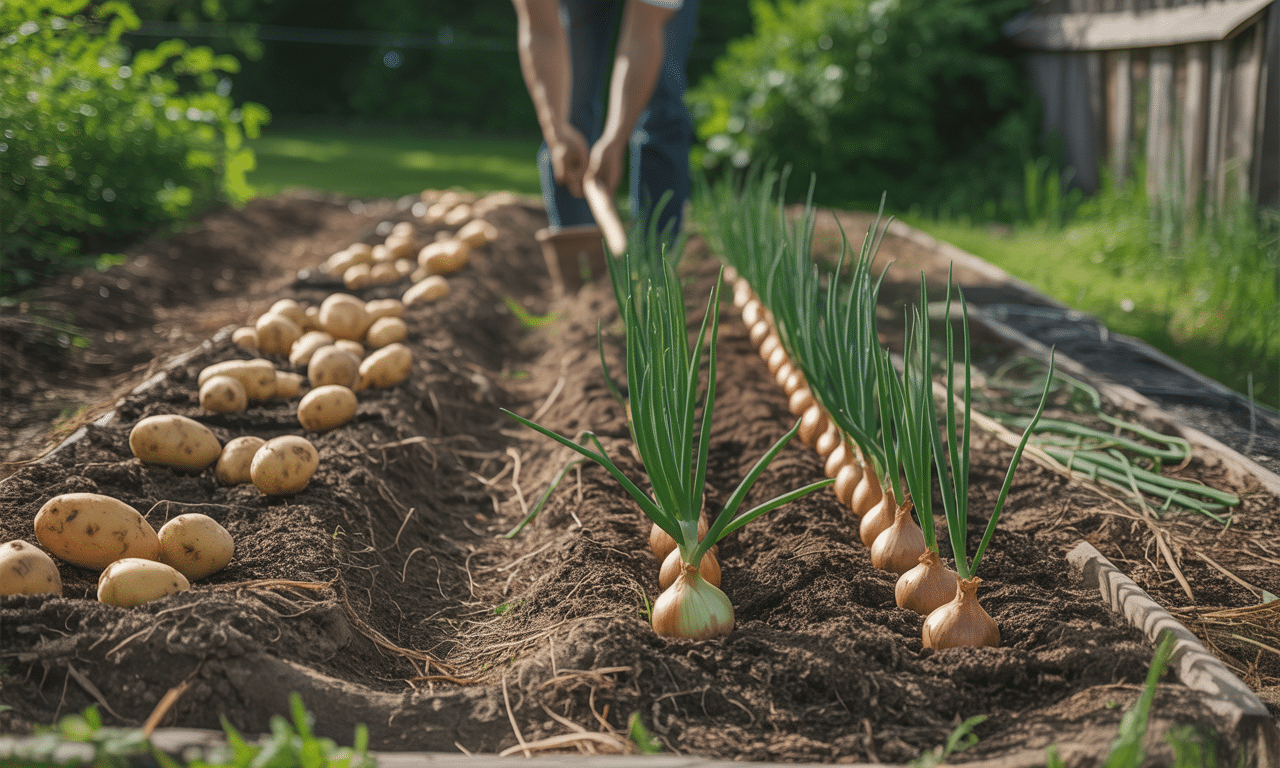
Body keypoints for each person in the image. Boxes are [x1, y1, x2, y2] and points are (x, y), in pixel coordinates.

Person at [511, 0, 699, 242]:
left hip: (653, 11)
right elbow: (542, 31)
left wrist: (615, 140)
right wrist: (556, 129)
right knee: (570, 109)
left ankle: (656, 253)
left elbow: (642, 36)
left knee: (661, 104)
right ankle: (580, 254)